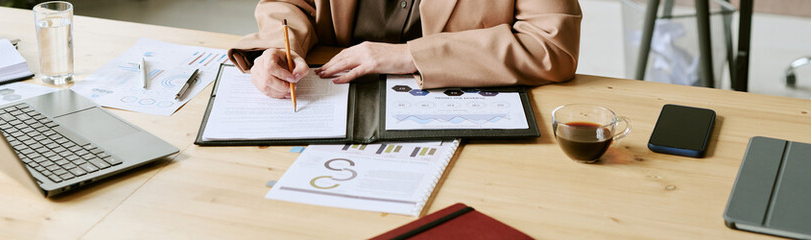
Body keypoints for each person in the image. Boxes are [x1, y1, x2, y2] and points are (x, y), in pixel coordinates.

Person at [227, 0, 582, 99]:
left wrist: (409, 55)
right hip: (329, 97)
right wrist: (275, 47)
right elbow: (290, 4)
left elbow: (552, 46)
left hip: (453, 109)